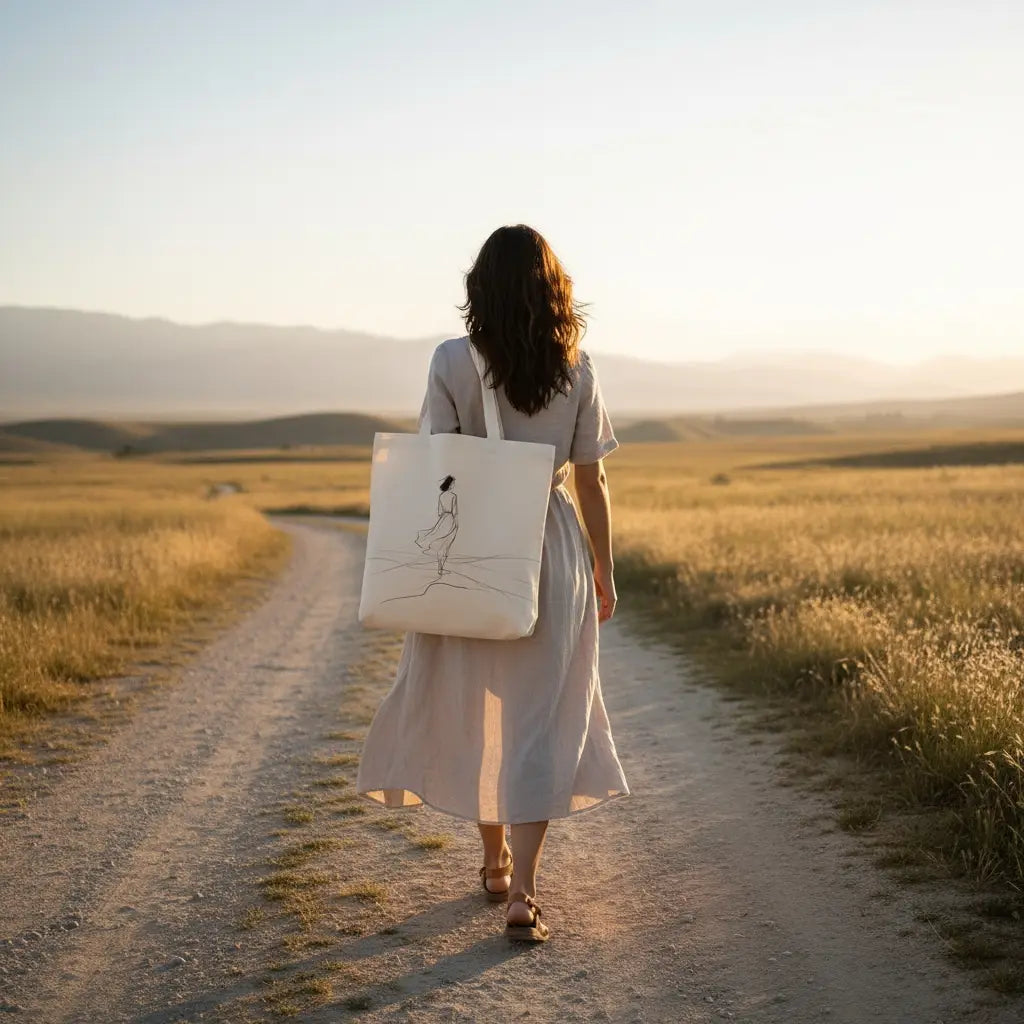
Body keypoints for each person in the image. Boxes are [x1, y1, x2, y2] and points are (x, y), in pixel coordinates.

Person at [356, 224, 629, 943]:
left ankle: (494, 862)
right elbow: (593, 479)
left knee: (478, 708)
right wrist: (603, 566)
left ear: (479, 286)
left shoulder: (451, 360)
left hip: (473, 549)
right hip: (552, 547)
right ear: (554, 288)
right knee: (544, 716)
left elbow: (438, 458)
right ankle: (526, 896)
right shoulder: (577, 366)